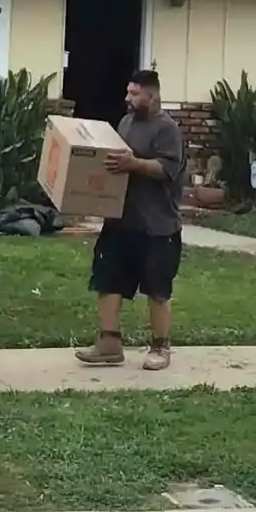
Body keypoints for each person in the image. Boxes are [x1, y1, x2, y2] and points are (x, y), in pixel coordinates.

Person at [76, 67, 186, 371]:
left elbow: (167, 169)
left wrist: (133, 164)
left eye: (134, 93)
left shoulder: (167, 129)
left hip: (157, 226)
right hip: (120, 219)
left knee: (157, 289)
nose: (128, 98)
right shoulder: (125, 122)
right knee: (107, 280)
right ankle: (109, 343)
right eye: (128, 92)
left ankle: (160, 347)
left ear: (152, 95)